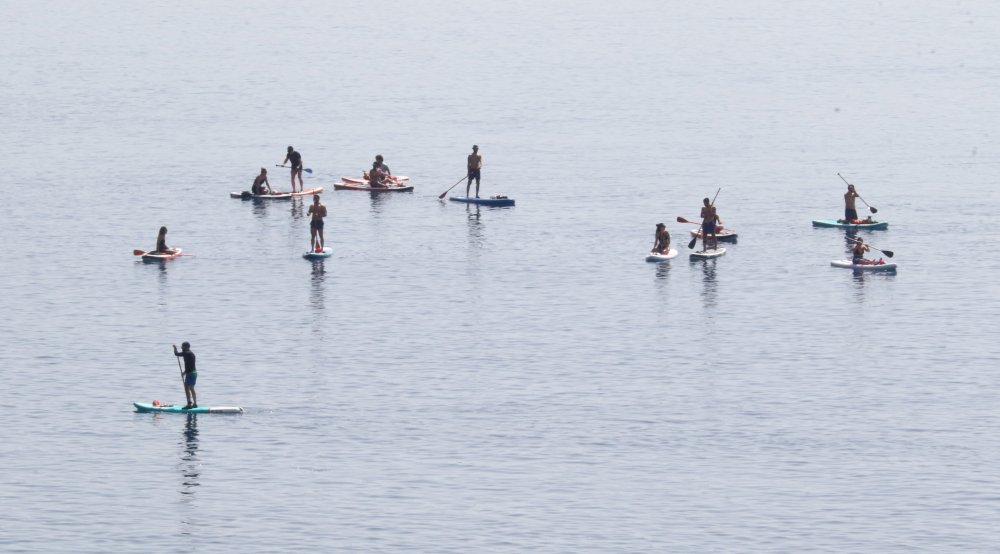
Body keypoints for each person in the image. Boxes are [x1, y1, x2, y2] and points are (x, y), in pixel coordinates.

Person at [173, 342, 197, 409]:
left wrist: (175, 349)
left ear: (187, 347)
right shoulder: (192, 353)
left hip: (190, 373)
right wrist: (184, 372)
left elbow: (176, 354)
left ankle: (189, 404)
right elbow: (190, 365)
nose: (181, 348)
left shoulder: (186, 353)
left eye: (182, 347)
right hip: (194, 373)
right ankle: (195, 404)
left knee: (187, 388)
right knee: (191, 388)